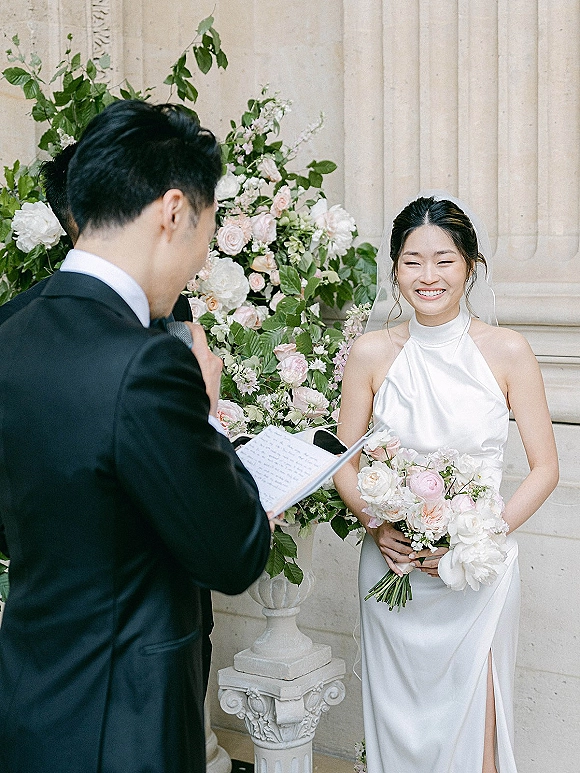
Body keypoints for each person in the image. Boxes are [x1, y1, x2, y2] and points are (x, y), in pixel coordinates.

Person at [0, 99, 272, 773]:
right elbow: (236, 553)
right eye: (208, 230)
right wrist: (206, 408)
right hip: (125, 724)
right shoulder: (148, 362)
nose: (201, 262)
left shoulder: (10, 336)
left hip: (32, 704)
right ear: (173, 211)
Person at [334, 195, 558, 773]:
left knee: (476, 731)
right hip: (394, 571)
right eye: (412, 261)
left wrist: (480, 538)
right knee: (401, 731)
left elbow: (545, 468)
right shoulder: (370, 353)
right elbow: (341, 460)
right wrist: (376, 525)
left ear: (471, 266)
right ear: (395, 269)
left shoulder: (507, 351)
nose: (427, 276)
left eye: (444, 260)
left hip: (476, 576)